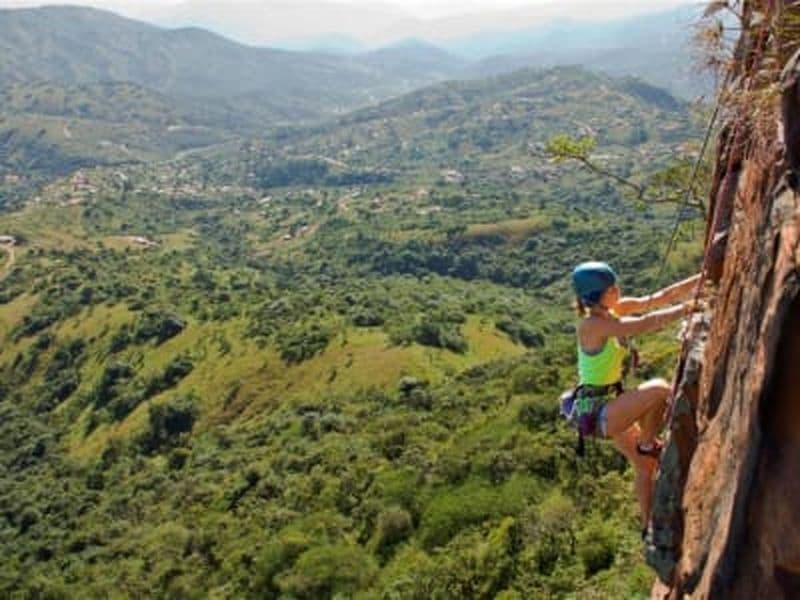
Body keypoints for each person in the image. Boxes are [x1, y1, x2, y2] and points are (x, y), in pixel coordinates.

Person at [569, 261, 702, 536]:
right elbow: (642, 325)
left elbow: (656, 299)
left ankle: (647, 528)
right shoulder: (592, 326)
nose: (617, 290)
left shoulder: (612, 311)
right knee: (660, 390)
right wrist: (685, 309)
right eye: (611, 289)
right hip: (599, 410)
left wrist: (701, 279)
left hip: (607, 405)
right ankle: (647, 442)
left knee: (646, 466)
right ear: (596, 296)